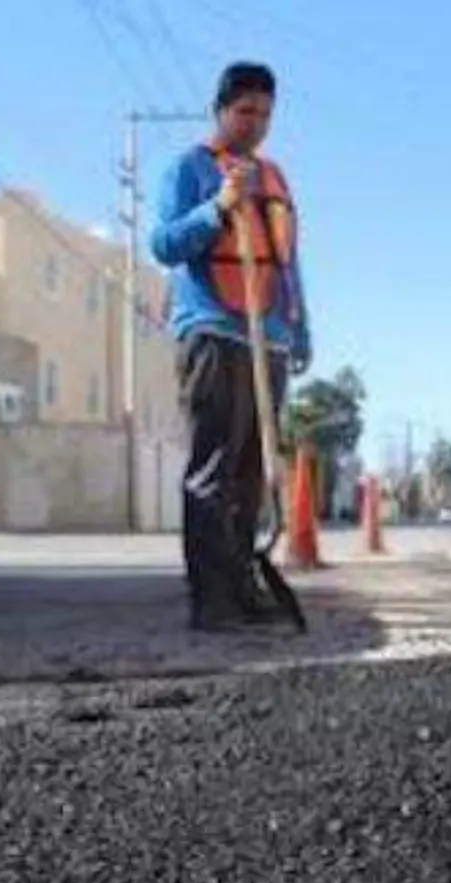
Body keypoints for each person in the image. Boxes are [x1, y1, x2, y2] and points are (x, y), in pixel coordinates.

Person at [149, 62, 313, 631]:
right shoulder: (189, 170)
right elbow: (164, 244)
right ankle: (211, 596)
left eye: (265, 114)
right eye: (245, 112)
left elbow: (287, 261)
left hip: (268, 339)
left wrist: (300, 328)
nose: (256, 125)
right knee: (213, 469)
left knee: (249, 472)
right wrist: (218, 205)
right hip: (213, 332)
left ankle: (245, 585)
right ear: (219, 110)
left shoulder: (275, 178)